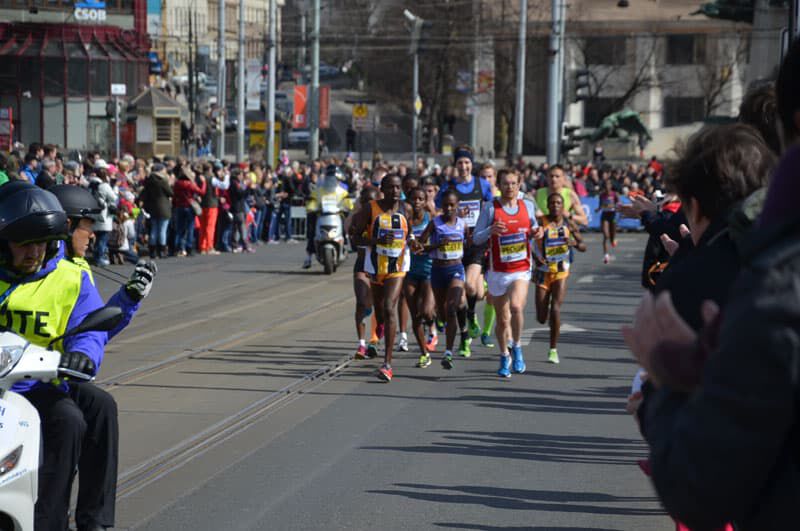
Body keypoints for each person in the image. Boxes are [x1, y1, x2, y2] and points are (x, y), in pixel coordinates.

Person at [0, 182, 113, 531]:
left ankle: (55, 522)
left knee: (72, 419)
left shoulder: (71, 278)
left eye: (42, 243)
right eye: (24, 243)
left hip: (37, 384)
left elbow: (91, 327)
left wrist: (82, 356)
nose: (34, 252)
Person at [473, 169, 541, 376]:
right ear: (499, 185)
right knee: (502, 320)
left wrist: (538, 232)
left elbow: (535, 228)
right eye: (505, 183)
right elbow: (476, 238)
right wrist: (490, 230)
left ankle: (517, 346)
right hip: (498, 271)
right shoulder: (490, 208)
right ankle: (504, 355)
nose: (509, 187)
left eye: (513, 183)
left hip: (521, 269)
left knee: (517, 307)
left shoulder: (527, 206)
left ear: (519, 185)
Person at [348, 174, 412, 382]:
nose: (395, 191)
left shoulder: (406, 209)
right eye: (391, 187)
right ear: (382, 189)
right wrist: (376, 240)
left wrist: (414, 242)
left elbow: (409, 234)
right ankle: (381, 324)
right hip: (375, 266)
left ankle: (387, 364)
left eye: (398, 187)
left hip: (397, 267)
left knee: (389, 306)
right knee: (380, 310)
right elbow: (355, 238)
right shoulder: (370, 209)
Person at [435, 146, 494, 357]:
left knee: (470, 286)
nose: (463, 166)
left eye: (467, 162)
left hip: (476, 242)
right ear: (455, 165)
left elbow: (492, 207)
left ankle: (470, 314)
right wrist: (452, 215)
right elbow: (438, 209)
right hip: (455, 244)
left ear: (471, 164)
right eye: (460, 162)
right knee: (468, 293)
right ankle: (465, 331)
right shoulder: (449, 186)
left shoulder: (482, 185)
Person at [533, 193, 586, 365]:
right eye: (552, 203)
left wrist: (575, 244)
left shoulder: (569, 223)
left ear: (563, 206)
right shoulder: (541, 222)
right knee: (541, 318)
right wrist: (535, 258)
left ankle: (553, 349)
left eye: (558, 203)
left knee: (556, 308)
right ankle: (549, 318)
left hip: (561, 271)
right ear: (548, 205)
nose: (555, 205)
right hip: (542, 272)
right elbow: (528, 242)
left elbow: (583, 246)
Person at [419, 189, 469, 369]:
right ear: (441, 205)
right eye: (445, 205)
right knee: (441, 312)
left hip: (456, 269)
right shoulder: (434, 223)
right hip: (438, 270)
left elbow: (468, 245)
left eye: (452, 205)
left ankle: (448, 352)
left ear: (457, 206)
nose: (448, 208)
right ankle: (451, 328)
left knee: (451, 308)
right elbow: (420, 245)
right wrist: (436, 245)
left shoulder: (462, 225)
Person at [404, 187, 436, 368]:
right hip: (410, 271)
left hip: (429, 270)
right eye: (414, 199)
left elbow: (439, 244)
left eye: (420, 199)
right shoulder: (404, 221)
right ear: (409, 200)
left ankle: (433, 324)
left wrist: (423, 247)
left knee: (426, 311)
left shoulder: (431, 220)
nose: (417, 202)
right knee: (415, 315)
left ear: (425, 201)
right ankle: (424, 353)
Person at [349, 186, 379, 360]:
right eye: (365, 201)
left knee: (380, 306)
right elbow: (353, 239)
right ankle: (361, 344)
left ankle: (375, 340)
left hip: (380, 266)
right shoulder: (357, 218)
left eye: (372, 201)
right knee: (361, 302)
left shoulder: (383, 219)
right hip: (362, 265)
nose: (368, 205)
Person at [172, 164, 206, 256]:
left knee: (179, 228)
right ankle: (189, 247)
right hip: (189, 206)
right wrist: (204, 183)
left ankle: (178, 247)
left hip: (179, 206)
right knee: (190, 228)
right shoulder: (190, 184)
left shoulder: (177, 183)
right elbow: (202, 192)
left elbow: (174, 195)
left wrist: (174, 205)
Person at [140, 163, 173, 259]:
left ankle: (152, 251)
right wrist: (170, 183)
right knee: (162, 229)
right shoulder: (162, 181)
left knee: (154, 229)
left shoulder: (148, 181)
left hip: (152, 207)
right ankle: (162, 251)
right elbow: (170, 193)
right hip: (163, 207)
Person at [88, 168, 118, 266]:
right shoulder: (104, 186)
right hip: (104, 215)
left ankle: (96, 257)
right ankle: (99, 258)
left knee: (98, 238)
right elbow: (114, 197)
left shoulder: (91, 185)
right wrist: (115, 188)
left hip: (94, 214)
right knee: (102, 239)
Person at [596, 178, 619, 264]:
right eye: (605, 185)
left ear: (611, 186)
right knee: (606, 236)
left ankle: (613, 240)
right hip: (605, 215)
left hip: (612, 215)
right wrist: (598, 209)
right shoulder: (601, 195)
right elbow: (600, 205)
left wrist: (613, 206)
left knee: (612, 236)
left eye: (608, 184)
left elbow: (618, 204)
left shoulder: (615, 194)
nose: (607, 186)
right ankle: (606, 255)